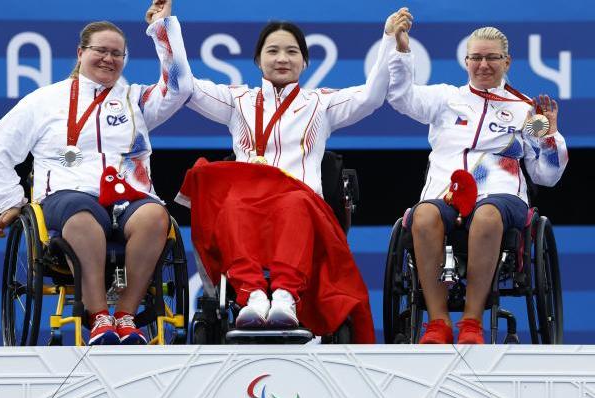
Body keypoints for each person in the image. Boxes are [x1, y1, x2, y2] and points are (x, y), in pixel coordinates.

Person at [178, 9, 413, 342]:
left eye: (292, 52)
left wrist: (389, 39)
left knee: (295, 202)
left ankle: (286, 297)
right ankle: (253, 296)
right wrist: (164, 29)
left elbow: (372, 96)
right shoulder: (237, 101)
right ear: (258, 60)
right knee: (232, 204)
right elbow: (184, 86)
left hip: (301, 206)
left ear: (305, 62)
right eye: (272, 51)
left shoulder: (320, 104)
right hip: (247, 205)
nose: (282, 58)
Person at [0, 0, 193, 345]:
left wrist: (162, 29)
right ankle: (98, 318)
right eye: (101, 51)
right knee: (81, 218)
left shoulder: (135, 100)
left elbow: (180, 86)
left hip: (130, 198)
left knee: (157, 217)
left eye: (118, 54)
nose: (109, 59)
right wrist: (9, 201)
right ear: (80, 52)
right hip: (68, 197)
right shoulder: (44, 101)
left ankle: (125, 315)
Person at [385, 18, 568, 344]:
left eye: (493, 58)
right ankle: (438, 322)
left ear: (506, 62)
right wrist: (401, 51)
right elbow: (400, 97)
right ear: (466, 61)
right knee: (423, 216)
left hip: (501, 196)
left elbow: (547, 174)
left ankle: (472, 322)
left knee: (486, 215)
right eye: (477, 58)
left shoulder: (526, 111)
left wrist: (550, 136)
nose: (484, 65)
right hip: (445, 195)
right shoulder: (445, 99)